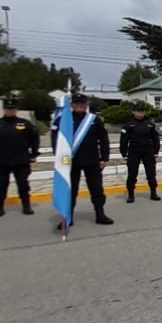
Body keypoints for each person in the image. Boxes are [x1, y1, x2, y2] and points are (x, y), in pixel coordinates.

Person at [54, 92, 113, 224]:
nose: (79, 106)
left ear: (86, 105)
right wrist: (59, 158)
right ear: (72, 105)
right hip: (70, 162)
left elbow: (103, 140)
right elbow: (56, 140)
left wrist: (104, 158)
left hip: (92, 161)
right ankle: (67, 217)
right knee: (70, 190)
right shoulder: (64, 120)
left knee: (97, 189)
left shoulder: (93, 120)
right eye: (76, 104)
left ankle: (100, 214)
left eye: (82, 104)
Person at [0, 96, 40, 217]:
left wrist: (34, 154)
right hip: (1, 161)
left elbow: (34, 139)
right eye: (7, 109)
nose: (10, 111)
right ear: (4, 109)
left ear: (16, 110)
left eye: (12, 109)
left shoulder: (24, 123)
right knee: (1, 185)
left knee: (23, 185)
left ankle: (26, 206)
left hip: (21, 160)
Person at [120, 101, 161, 203]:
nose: (140, 113)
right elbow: (124, 140)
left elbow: (155, 138)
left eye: (142, 111)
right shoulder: (129, 125)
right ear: (133, 112)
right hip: (134, 151)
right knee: (132, 173)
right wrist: (124, 153)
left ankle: (153, 193)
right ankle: (130, 195)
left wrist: (156, 151)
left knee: (151, 173)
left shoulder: (150, 124)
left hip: (148, 150)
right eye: (138, 111)